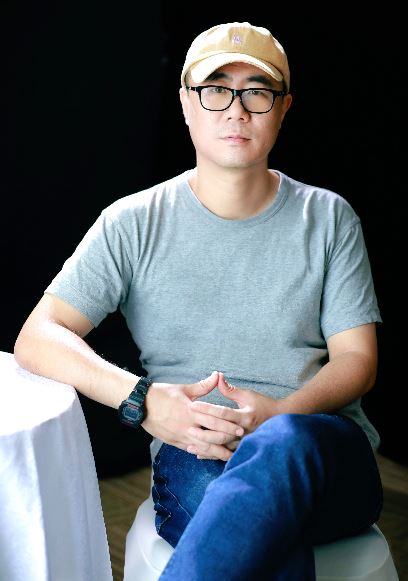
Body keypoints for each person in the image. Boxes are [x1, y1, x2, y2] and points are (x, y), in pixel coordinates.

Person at [15, 21, 383, 580]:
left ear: (283, 108)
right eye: (216, 90)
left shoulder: (329, 217)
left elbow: (358, 359)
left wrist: (282, 414)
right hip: (197, 451)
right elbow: (38, 336)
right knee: (253, 531)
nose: (236, 111)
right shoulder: (132, 222)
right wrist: (142, 399)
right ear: (186, 103)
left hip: (320, 447)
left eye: (257, 92)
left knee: (277, 455)